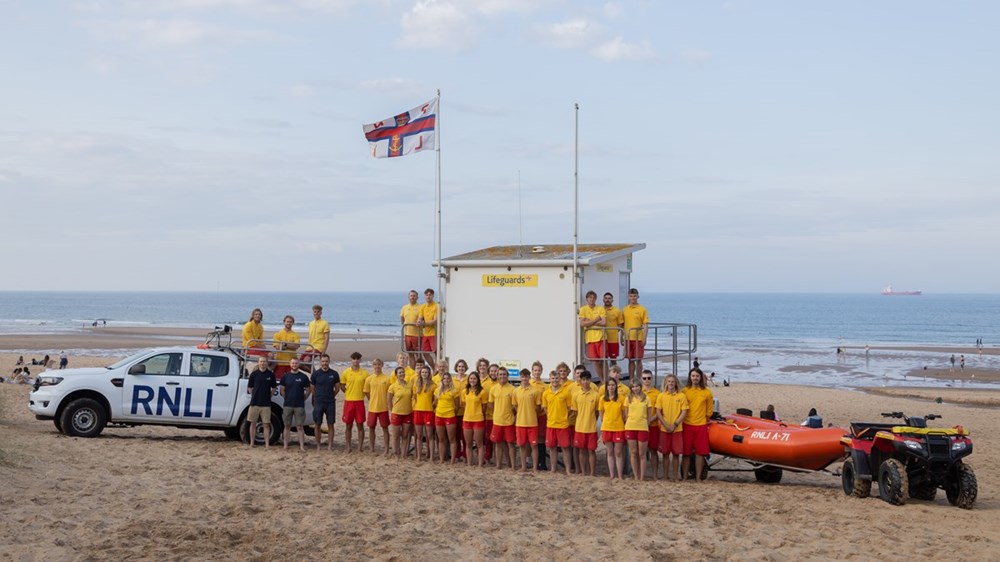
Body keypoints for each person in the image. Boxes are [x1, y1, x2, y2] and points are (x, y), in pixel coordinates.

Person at [681, 367, 713, 482]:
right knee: (686, 454)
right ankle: (684, 477)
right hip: (687, 425)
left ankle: (698, 478)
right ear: (690, 377)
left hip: (701, 426)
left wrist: (704, 419)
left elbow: (709, 411)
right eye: (693, 376)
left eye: (697, 376)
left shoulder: (707, 392)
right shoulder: (684, 391)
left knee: (700, 454)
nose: (695, 378)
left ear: (700, 378)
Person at [656, 374, 688, 482]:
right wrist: (665, 424)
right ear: (666, 383)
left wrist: (675, 424)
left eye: (672, 382)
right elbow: (658, 412)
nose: (670, 383)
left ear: (676, 383)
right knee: (665, 454)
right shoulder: (661, 396)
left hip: (677, 429)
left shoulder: (681, 396)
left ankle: (675, 477)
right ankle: (665, 476)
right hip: (664, 429)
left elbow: (684, 412)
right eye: (669, 381)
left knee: (676, 454)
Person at [542, 369, 572, 476]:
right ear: (550, 379)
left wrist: (562, 416)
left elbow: (569, 408)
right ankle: (553, 469)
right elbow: (545, 408)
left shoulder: (565, 392)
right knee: (552, 447)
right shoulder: (546, 393)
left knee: (565, 448)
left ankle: (567, 470)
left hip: (563, 424)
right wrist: (551, 417)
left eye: (556, 378)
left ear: (560, 379)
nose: (555, 380)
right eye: (553, 378)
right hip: (551, 424)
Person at [570, 370, 600, 476]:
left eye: (587, 379)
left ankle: (592, 472)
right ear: (580, 381)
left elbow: (597, 412)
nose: (585, 382)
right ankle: (583, 471)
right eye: (583, 380)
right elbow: (575, 411)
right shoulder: (576, 395)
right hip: (579, 428)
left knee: (591, 451)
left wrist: (591, 420)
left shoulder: (596, 395)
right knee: (581, 451)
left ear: (590, 380)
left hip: (591, 428)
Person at [512, 369, 542, 471]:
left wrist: (531, 414)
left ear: (529, 377)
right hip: (520, 423)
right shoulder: (516, 391)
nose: (524, 378)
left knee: (534, 445)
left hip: (532, 423)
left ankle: (534, 467)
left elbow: (538, 407)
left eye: (526, 376)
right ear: (520, 377)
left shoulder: (535, 391)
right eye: (522, 376)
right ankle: (524, 466)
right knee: (522, 446)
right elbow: (515, 406)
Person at [279, 358, 311, 451]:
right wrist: (287, 398)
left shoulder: (303, 377)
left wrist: (303, 398)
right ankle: (285, 445)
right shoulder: (286, 377)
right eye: (293, 363)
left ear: (299, 364)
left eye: (296, 363)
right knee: (287, 426)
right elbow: (282, 390)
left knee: (300, 427)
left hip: (299, 405)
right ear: (290, 364)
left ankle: (301, 446)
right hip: (287, 405)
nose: (294, 365)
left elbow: (308, 390)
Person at [340, 352, 369, 453]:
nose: (356, 361)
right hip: (349, 401)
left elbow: (367, 387)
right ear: (351, 360)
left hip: (359, 401)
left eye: (358, 359)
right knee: (348, 425)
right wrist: (348, 392)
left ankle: (360, 447)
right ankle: (348, 446)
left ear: (360, 360)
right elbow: (342, 385)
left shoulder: (365, 373)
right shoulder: (346, 372)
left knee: (360, 425)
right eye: (354, 359)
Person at [310, 354, 340, 451]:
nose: (324, 363)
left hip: (330, 403)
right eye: (323, 361)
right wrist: (318, 397)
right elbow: (312, 388)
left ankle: (330, 445)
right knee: (317, 424)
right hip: (319, 402)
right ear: (320, 362)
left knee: (330, 424)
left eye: (326, 361)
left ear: (329, 362)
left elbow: (337, 388)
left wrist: (331, 396)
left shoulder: (334, 374)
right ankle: (318, 445)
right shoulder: (315, 374)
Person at [488, 367, 517, 469]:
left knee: (510, 444)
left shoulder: (513, 389)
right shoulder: (493, 389)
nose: (502, 376)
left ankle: (512, 466)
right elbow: (490, 404)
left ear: (507, 375)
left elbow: (514, 406)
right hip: (497, 421)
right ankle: (498, 465)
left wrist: (509, 413)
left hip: (509, 421)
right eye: (500, 374)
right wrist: (497, 412)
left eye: (504, 374)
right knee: (498, 444)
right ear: (497, 375)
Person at [624, 379, 653, 481]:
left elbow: (649, 415)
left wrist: (646, 424)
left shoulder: (647, 399)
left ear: (640, 387)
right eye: (633, 387)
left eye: (637, 386)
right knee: (633, 452)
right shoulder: (628, 399)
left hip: (642, 427)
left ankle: (642, 476)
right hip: (630, 427)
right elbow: (626, 414)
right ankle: (636, 476)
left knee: (642, 453)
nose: (635, 388)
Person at [599, 377, 626, 479]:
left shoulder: (621, 398)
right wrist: (605, 421)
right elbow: (601, 412)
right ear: (606, 387)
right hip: (607, 427)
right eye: (609, 385)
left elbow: (624, 413)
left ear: (616, 386)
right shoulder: (602, 399)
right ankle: (612, 474)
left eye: (613, 385)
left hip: (618, 428)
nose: (611, 387)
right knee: (609, 452)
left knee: (618, 452)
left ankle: (619, 475)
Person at [364, 358, 392, 455]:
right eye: (375, 364)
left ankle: (387, 449)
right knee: (371, 428)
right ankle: (372, 448)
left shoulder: (386, 378)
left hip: (383, 407)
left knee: (385, 428)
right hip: (372, 408)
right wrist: (372, 400)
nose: (377, 366)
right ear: (373, 366)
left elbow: (390, 393)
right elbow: (367, 393)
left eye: (379, 364)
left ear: (382, 365)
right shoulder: (369, 379)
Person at [246, 356, 276, 448]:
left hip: (266, 404)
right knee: (253, 423)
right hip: (254, 403)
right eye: (261, 361)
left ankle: (267, 444)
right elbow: (249, 387)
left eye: (264, 361)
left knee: (266, 424)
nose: (262, 363)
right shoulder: (254, 374)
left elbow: (274, 388)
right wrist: (254, 394)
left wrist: (269, 396)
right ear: (258, 363)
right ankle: (252, 442)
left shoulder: (270, 375)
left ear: (267, 363)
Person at [578, 290, 607, 384]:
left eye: (594, 297)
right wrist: (596, 319)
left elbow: (604, 322)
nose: (592, 299)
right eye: (590, 297)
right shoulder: (583, 309)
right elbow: (582, 324)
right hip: (590, 339)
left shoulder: (600, 308)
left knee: (603, 360)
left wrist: (589, 322)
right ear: (587, 299)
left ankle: (605, 380)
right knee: (596, 361)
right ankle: (602, 380)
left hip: (601, 337)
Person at [433, 371, 461, 464]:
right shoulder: (437, 390)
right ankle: (441, 458)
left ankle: (452, 459)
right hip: (439, 415)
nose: (446, 380)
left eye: (448, 378)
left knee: (451, 439)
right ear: (442, 380)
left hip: (449, 416)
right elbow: (435, 403)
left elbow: (457, 406)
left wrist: (452, 412)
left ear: (450, 380)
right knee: (441, 439)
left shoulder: (454, 391)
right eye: (444, 378)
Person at [461, 372, 488, 467]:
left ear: (478, 380)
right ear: (468, 380)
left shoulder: (482, 392)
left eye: (474, 379)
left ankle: (480, 464)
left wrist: (478, 414)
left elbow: (484, 407)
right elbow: (464, 405)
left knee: (479, 443)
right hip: (467, 419)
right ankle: (469, 463)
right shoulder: (465, 391)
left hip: (478, 419)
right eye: (471, 378)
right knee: (468, 443)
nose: (472, 380)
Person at [622, 288, 649, 381]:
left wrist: (644, 338)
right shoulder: (625, 309)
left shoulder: (642, 309)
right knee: (630, 360)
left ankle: (638, 379)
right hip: (628, 338)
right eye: (631, 296)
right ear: (628, 297)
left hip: (638, 338)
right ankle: (631, 380)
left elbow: (645, 325)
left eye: (634, 296)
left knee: (638, 359)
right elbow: (622, 324)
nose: (633, 298)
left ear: (638, 296)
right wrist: (622, 337)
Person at [387, 366, 414, 459]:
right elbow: (389, 401)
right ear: (396, 375)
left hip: (407, 413)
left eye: (403, 372)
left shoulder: (410, 385)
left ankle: (403, 453)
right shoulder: (393, 386)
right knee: (396, 435)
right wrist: (392, 411)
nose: (402, 374)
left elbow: (413, 398)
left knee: (405, 435)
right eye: (400, 373)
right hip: (396, 413)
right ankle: (395, 452)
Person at [639, 370, 661, 480]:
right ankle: (640, 474)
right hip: (640, 425)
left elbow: (659, 411)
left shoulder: (657, 393)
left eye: (649, 378)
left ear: (652, 379)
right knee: (640, 451)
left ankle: (655, 474)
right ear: (641, 379)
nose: (647, 380)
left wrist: (649, 420)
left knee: (653, 450)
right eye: (644, 378)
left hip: (653, 425)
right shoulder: (637, 392)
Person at [528, 361, 550, 470]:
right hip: (529, 415)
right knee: (530, 439)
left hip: (541, 415)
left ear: (541, 371)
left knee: (541, 438)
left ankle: (542, 462)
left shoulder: (545, 386)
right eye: (535, 370)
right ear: (532, 371)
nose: (537, 372)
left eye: (539, 370)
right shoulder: (528, 383)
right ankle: (529, 460)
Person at [412, 365, 436, 462]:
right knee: (419, 435)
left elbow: (435, 401)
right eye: (422, 372)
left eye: (426, 372)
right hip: (418, 411)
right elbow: (415, 397)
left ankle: (430, 456)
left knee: (430, 435)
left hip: (429, 412)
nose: (424, 374)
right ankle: (419, 456)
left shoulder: (433, 385)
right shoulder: (416, 385)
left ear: (429, 373)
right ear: (420, 373)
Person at [272, 315, 300, 381]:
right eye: (287, 321)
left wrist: (285, 344)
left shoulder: (296, 335)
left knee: (291, 381)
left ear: (293, 323)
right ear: (284, 322)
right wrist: (290, 345)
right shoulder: (277, 334)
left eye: (290, 322)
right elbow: (278, 347)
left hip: (292, 363)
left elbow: (296, 346)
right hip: (280, 362)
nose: (289, 323)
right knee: (278, 381)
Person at [303, 304, 330, 371]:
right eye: (315, 311)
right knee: (300, 363)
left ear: (321, 313)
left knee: (306, 361)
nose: (316, 313)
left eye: (318, 311)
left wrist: (324, 350)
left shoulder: (325, 323)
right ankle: (315, 374)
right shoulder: (311, 323)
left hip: (319, 347)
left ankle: (315, 374)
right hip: (310, 346)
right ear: (313, 312)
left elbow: (327, 338)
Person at [400, 290, 423, 363]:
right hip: (407, 335)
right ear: (408, 297)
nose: (412, 297)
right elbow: (402, 319)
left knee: (418, 355)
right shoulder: (404, 307)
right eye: (411, 296)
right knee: (410, 354)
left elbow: (422, 319)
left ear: (417, 297)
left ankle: (421, 371)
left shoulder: (421, 307)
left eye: (414, 296)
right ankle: (413, 371)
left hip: (417, 335)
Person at [417, 288, 439, 363]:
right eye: (426, 295)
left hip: (435, 333)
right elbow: (420, 317)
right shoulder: (423, 306)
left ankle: (437, 369)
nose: (428, 296)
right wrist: (419, 321)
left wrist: (424, 323)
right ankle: (433, 368)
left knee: (437, 352)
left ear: (433, 296)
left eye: (430, 295)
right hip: (426, 333)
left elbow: (435, 321)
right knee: (424, 352)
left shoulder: (437, 306)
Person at [602, 292, 623, 367]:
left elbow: (620, 324)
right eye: (606, 298)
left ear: (612, 300)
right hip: (601, 339)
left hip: (613, 339)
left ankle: (614, 377)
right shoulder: (600, 310)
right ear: (603, 300)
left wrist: (614, 331)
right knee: (603, 360)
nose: (607, 300)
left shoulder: (617, 311)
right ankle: (605, 378)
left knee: (613, 360)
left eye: (609, 298)